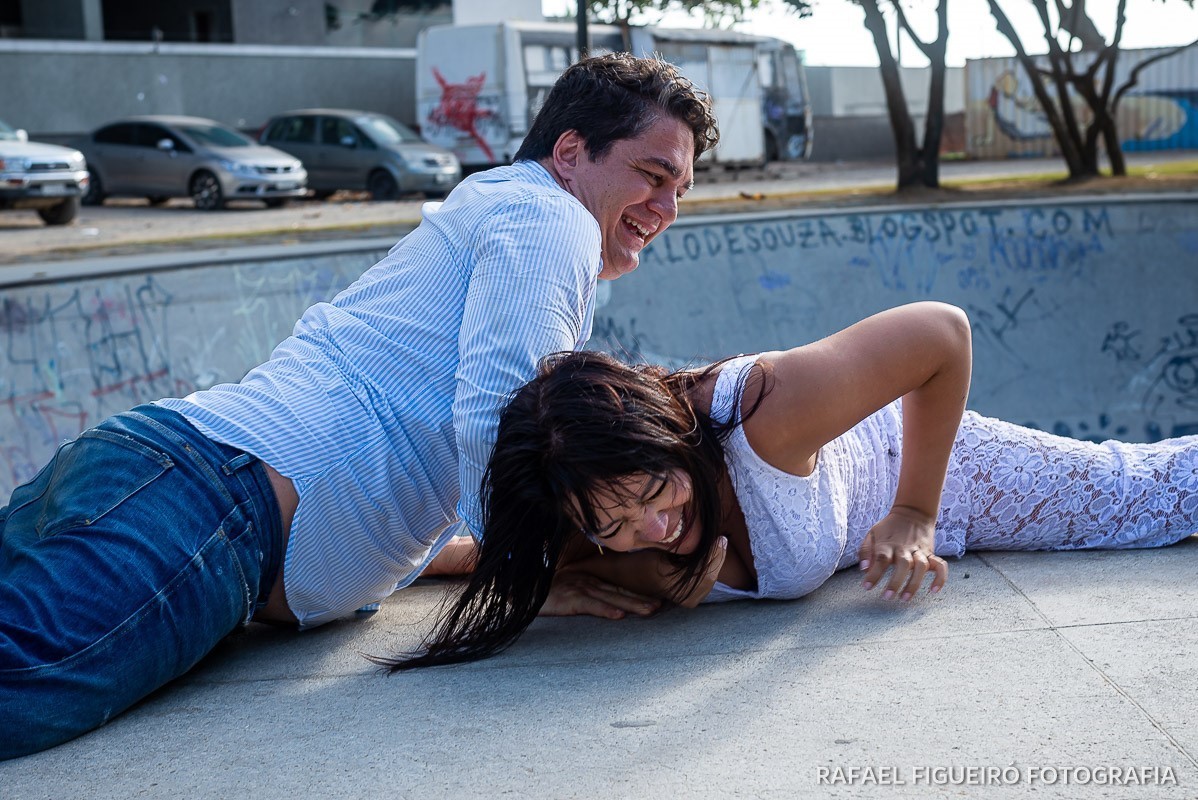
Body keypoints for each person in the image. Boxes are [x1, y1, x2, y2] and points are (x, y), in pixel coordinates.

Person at [0, 52, 718, 760]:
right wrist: (525, 574)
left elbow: (419, 455)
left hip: (178, 484)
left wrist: (486, 563)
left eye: (680, 190)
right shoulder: (551, 220)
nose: (667, 209)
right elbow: (501, 418)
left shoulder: (507, 207)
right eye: (652, 175)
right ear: (570, 152)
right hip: (209, 500)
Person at [389, 301, 1198, 669]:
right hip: (852, 523)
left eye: (656, 492)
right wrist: (547, 583)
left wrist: (914, 509)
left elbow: (941, 333)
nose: (651, 528)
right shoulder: (585, 509)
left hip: (920, 463)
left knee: (1144, 497)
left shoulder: (764, 414)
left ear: (667, 434)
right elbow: (435, 557)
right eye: (616, 525)